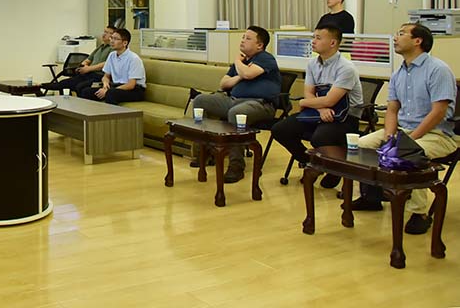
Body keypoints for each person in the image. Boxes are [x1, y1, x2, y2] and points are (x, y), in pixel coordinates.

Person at [350, 23, 457, 235]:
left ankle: (419, 213)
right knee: (361, 145)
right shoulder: (399, 73)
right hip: (404, 130)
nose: (395, 38)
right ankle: (372, 197)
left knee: (407, 152)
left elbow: (438, 112)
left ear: (418, 41)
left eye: (401, 34)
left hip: (437, 134)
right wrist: (390, 136)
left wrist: (408, 139)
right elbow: (392, 110)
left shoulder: (438, 69)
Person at [271, 25, 363, 189]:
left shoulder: (346, 68)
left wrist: (304, 103)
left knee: (319, 138)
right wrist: (319, 108)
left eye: (318, 38)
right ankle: (313, 164)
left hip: (345, 117)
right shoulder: (313, 63)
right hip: (319, 112)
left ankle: (334, 168)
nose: (313, 41)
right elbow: (309, 93)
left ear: (333, 43)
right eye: (313, 37)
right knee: (280, 129)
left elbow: (329, 100)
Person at [192, 26, 282, 183]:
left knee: (236, 113)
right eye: (243, 37)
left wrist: (238, 64)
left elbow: (248, 73)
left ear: (259, 45)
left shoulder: (265, 58)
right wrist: (240, 75)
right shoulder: (242, 62)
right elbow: (223, 84)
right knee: (200, 101)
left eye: (248, 38)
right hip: (234, 100)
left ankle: (236, 166)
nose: (243, 40)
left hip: (260, 104)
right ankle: (204, 153)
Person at [79, 28, 146, 105]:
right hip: (116, 86)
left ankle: (111, 113)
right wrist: (105, 85)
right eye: (111, 38)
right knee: (86, 91)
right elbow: (106, 76)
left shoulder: (133, 58)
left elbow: (131, 85)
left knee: (110, 94)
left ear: (125, 43)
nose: (112, 41)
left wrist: (108, 91)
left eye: (116, 39)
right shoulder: (112, 55)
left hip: (134, 90)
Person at [42, 26, 115, 96]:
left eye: (108, 33)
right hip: (89, 73)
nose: (104, 34)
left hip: (99, 75)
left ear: (113, 36)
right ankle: (42, 86)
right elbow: (87, 60)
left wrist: (88, 69)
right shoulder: (99, 47)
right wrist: (83, 66)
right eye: (104, 32)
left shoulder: (112, 49)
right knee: (65, 83)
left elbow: (106, 64)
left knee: (79, 86)